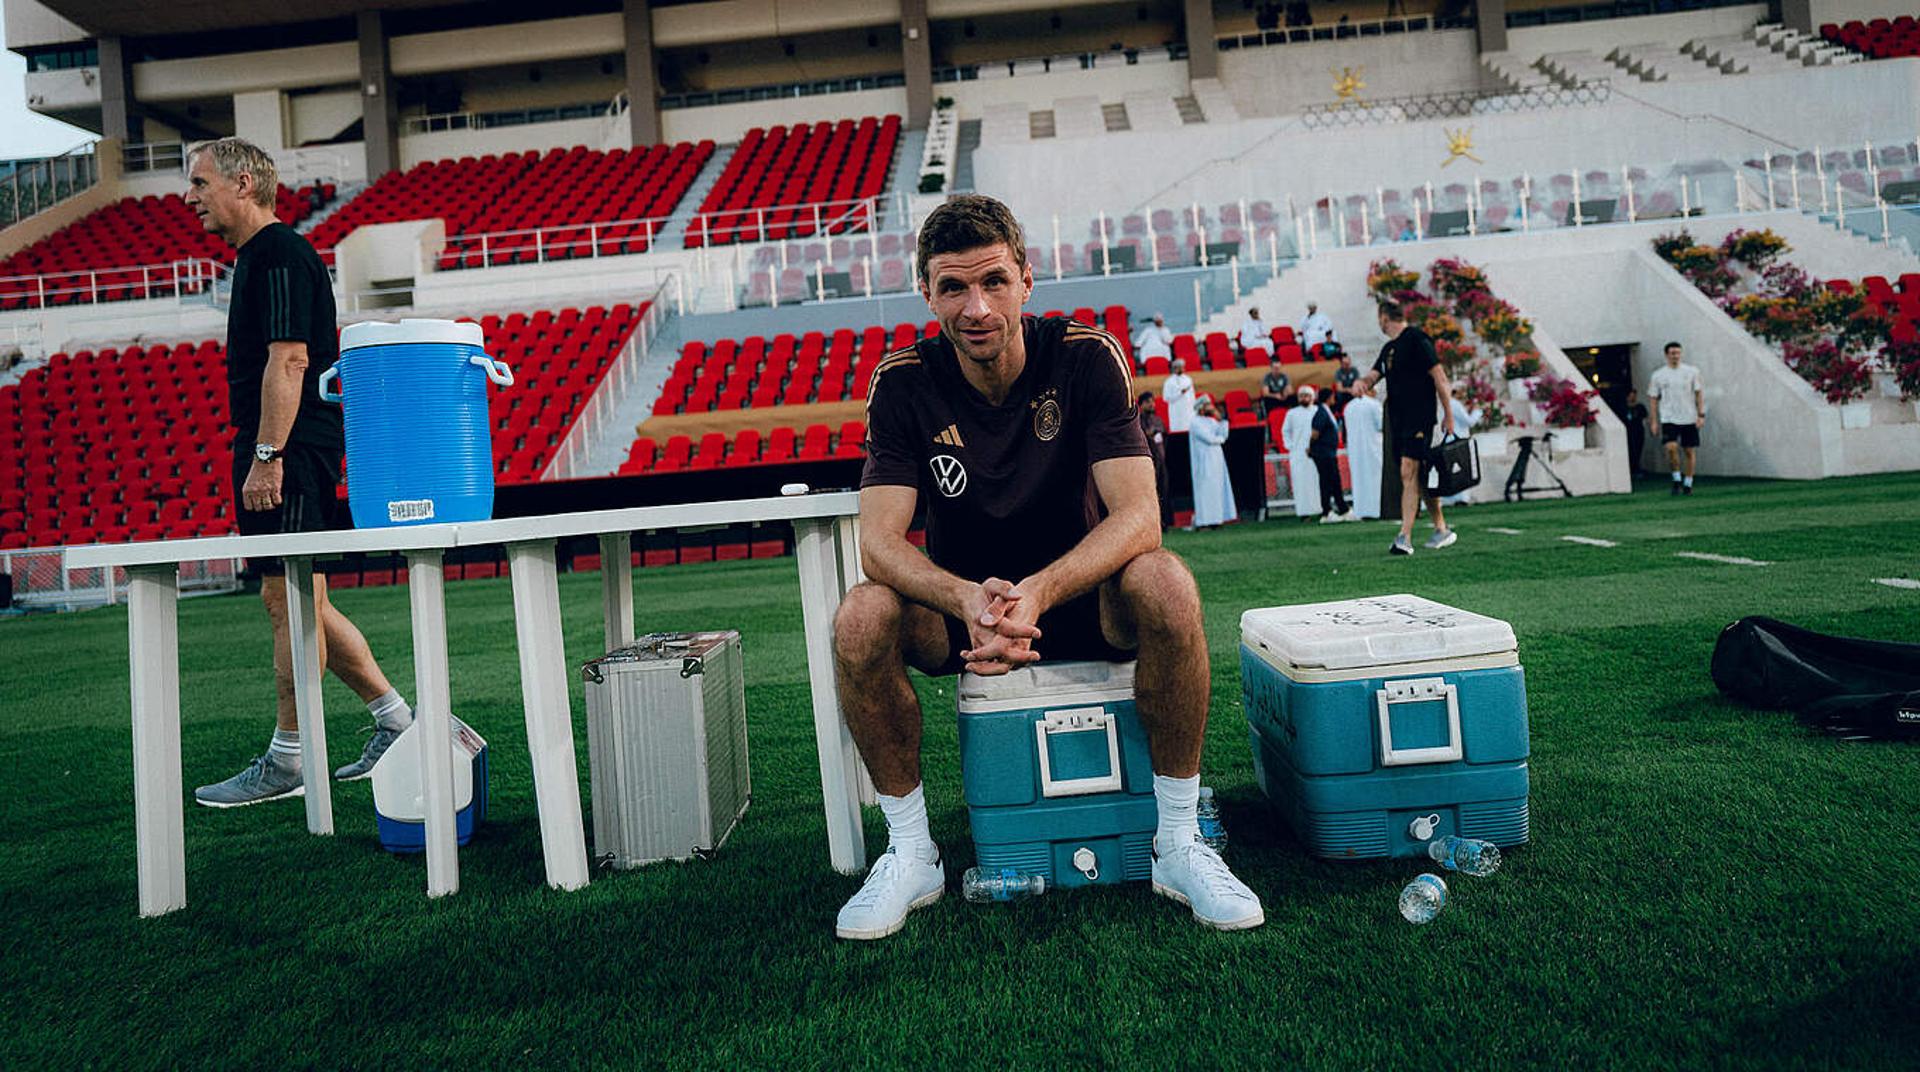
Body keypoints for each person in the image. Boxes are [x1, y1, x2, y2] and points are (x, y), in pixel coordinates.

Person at [832, 194, 1263, 940]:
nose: (976, 306)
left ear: (1027, 280)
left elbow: (1140, 516)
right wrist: (967, 596)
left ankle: (1177, 842)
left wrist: (1039, 590)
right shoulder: (903, 380)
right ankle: (912, 851)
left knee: (1165, 579)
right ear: (925, 294)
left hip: (1083, 599)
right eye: (953, 287)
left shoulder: (1086, 356)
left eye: (994, 281)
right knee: (861, 613)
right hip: (968, 619)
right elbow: (879, 542)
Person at [183, 137, 415, 807]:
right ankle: (396, 720)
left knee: (291, 597)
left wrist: (267, 455)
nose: (189, 197)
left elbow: (289, 361)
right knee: (294, 596)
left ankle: (292, 755)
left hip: (289, 447)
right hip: (286, 445)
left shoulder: (280, 253)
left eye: (201, 183)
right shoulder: (261, 257)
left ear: (245, 184)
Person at [1353, 300, 1456, 554]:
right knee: (1418, 475)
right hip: (1398, 420)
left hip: (1419, 417)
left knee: (1407, 470)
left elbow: (1440, 378)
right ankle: (1441, 528)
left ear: (1384, 317)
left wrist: (1448, 415)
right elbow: (1374, 374)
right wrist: (1361, 383)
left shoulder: (1417, 339)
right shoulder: (1389, 348)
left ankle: (1404, 537)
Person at [1647, 342, 1704, 495]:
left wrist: (1700, 414)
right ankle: (1676, 478)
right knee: (1671, 448)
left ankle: (1688, 483)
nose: (1675, 356)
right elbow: (1653, 398)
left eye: (1678, 353)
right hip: (1669, 418)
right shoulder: (1658, 375)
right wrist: (1654, 421)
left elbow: (1698, 393)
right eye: (1672, 353)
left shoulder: (1691, 372)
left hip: (1689, 417)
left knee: (1689, 451)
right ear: (1667, 355)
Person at [1188, 396, 1237, 529]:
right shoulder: (1194, 422)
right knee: (1206, 490)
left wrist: (1221, 419)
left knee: (1217, 489)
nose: (1211, 407)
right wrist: (1220, 439)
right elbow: (1209, 439)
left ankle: (1217, 520)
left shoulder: (1212, 421)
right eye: (1208, 405)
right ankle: (1205, 521)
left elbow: (1224, 434)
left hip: (1217, 460)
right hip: (1204, 461)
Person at [1306, 387, 1353, 522]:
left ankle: (1340, 508)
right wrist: (1310, 447)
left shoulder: (1326, 412)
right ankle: (1328, 511)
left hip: (1328, 452)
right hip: (1323, 453)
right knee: (1328, 481)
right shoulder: (1321, 413)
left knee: (1332, 480)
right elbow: (1315, 433)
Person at [1279, 385, 1321, 519]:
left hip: (1316, 452)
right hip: (1298, 454)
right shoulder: (1292, 413)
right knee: (1301, 483)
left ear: (1312, 397)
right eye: (1301, 396)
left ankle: (1320, 509)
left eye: (1306, 395)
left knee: (1317, 481)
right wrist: (1291, 446)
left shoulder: (1318, 411)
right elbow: (1285, 431)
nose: (1304, 398)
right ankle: (1304, 513)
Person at [1343, 382, 1384, 519]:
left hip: (1356, 451)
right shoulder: (1374, 405)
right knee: (1377, 479)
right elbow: (1381, 425)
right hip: (1374, 448)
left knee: (1360, 480)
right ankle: (1378, 510)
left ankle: (1362, 511)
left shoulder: (1348, 407)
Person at [1136, 391, 1173, 530]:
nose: (1152, 404)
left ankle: (1165, 522)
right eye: (1148, 402)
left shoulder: (1158, 420)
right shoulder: (1138, 421)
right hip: (1146, 463)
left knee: (1163, 490)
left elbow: (1164, 437)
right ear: (1141, 405)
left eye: (1152, 401)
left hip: (1161, 461)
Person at [1161, 356, 1195, 434]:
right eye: (1178, 367)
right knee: (1178, 432)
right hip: (1176, 411)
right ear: (1174, 368)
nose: (1181, 369)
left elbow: (1192, 396)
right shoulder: (1169, 382)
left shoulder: (1188, 379)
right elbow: (1166, 398)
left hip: (1188, 410)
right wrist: (1180, 393)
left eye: (1182, 367)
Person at [1623, 387, 1649, 479]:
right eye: (1631, 396)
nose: (1633, 397)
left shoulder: (1640, 407)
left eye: (1634, 395)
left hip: (1638, 431)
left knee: (1638, 450)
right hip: (1628, 432)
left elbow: (1645, 419)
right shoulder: (1623, 408)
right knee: (1630, 450)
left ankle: (1637, 468)